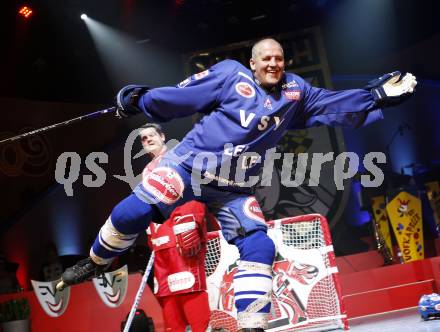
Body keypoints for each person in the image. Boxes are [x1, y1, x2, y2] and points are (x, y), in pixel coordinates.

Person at [58, 38, 417, 331]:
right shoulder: (230, 76)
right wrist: (140, 99)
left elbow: (330, 104)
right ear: (253, 62)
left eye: (279, 58)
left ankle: (251, 325)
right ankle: (96, 260)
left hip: (234, 187)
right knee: (130, 212)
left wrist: (375, 96)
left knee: (259, 247)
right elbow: (182, 98)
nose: (273, 64)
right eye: (266, 58)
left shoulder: (295, 92)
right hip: (190, 169)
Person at [142, 123, 213, 332]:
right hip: (161, 247)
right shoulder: (147, 171)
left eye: (151, 135)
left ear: (162, 136)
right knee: (170, 309)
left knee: (191, 293)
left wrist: (191, 220)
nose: (147, 140)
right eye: (143, 138)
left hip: (181, 240)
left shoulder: (178, 158)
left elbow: (199, 190)